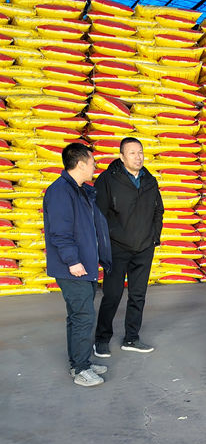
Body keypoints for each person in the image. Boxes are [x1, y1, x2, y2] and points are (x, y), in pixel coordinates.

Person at [43, 143, 112, 387]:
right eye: (92, 162)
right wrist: (72, 261)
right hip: (73, 267)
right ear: (81, 164)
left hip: (85, 265)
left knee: (77, 317)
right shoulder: (61, 192)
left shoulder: (82, 191)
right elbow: (60, 232)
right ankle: (81, 369)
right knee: (83, 317)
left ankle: (80, 362)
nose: (95, 167)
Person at [93, 137, 163, 357]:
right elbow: (99, 213)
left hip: (144, 247)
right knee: (112, 295)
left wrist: (154, 237)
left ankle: (132, 338)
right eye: (132, 153)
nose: (138, 157)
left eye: (140, 152)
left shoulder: (149, 180)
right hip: (117, 248)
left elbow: (158, 210)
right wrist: (107, 241)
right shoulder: (108, 179)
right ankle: (101, 339)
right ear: (122, 156)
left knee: (138, 295)